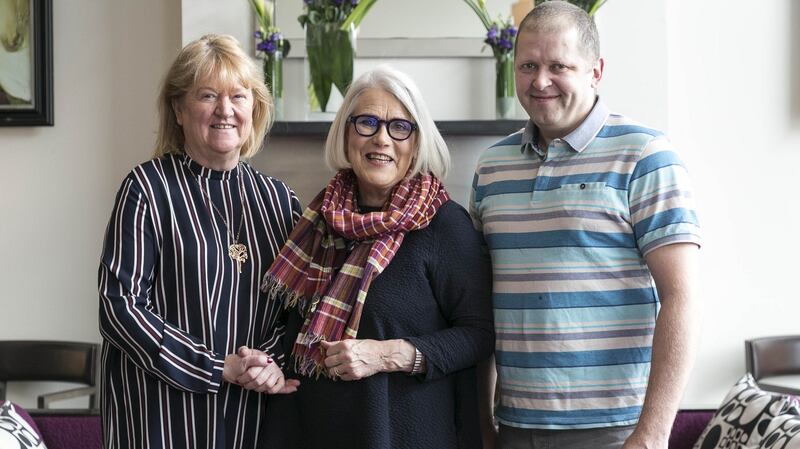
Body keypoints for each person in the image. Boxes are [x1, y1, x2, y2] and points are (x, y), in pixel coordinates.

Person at [470, 2, 702, 449]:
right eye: (528, 66)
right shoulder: (491, 167)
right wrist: (484, 423)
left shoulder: (645, 155)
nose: (540, 81)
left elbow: (683, 298)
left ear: (596, 71)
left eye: (559, 66)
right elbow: (478, 306)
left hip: (619, 430)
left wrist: (652, 434)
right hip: (516, 426)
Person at [258, 65, 494, 449]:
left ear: (416, 142)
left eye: (399, 126)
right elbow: (284, 329)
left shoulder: (443, 224)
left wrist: (387, 355)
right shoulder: (315, 221)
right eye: (367, 122)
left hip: (403, 435)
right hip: (311, 430)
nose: (382, 138)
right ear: (346, 133)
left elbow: (479, 335)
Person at [98, 34, 302, 449]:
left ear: (254, 108)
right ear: (178, 108)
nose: (225, 111)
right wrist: (214, 367)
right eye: (208, 96)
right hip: (161, 414)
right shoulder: (146, 189)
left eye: (238, 97)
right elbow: (119, 308)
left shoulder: (282, 201)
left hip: (253, 413)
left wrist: (268, 363)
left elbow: (297, 306)